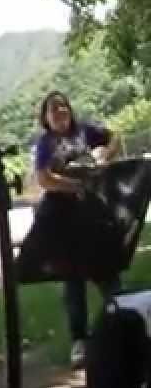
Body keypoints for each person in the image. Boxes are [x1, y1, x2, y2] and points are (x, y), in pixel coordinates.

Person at [31, 90, 122, 368]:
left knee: (107, 270)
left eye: (63, 106)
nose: (59, 112)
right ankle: (79, 342)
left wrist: (104, 159)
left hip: (93, 213)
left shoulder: (86, 131)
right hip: (62, 217)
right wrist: (74, 185)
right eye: (53, 109)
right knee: (73, 280)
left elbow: (115, 137)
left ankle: (122, 327)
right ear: (46, 118)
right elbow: (44, 179)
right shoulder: (45, 143)